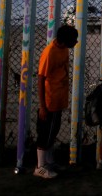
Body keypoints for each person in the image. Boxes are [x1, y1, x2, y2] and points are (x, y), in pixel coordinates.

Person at [34, 24, 78, 179]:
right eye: (74, 39)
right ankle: (40, 166)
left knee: (53, 131)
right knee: (45, 133)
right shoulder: (49, 53)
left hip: (59, 98)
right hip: (50, 100)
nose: (76, 42)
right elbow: (41, 79)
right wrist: (42, 106)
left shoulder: (63, 49)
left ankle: (49, 162)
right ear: (65, 40)